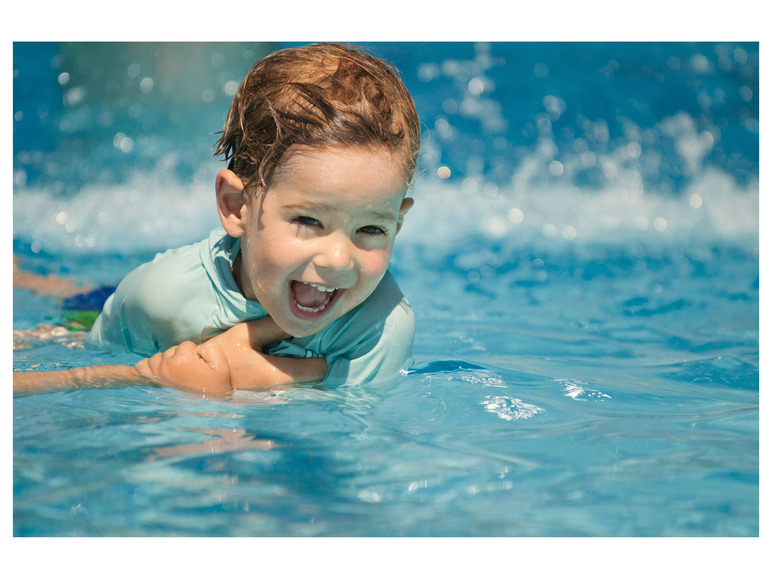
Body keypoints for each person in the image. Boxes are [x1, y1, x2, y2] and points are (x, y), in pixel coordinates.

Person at [13, 42, 420, 398]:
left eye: (370, 229)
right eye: (309, 221)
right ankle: (26, 280)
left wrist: (242, 381)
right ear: (235, 206)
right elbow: (88, 391)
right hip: (107, 310)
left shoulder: (381, 326)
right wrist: (165, 380)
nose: (338, 259)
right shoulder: (160, 298)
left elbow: (350, 432)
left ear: (397, 225)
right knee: (72, 315)